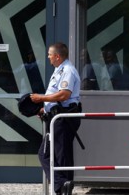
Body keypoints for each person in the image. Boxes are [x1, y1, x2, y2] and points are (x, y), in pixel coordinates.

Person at [30, 42, 81, 195]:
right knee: (51, 154)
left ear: (57, 56)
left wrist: (41, 98)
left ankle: (62, 186)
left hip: (63, 117)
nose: (48, 57)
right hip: (55, 117)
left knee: (58, 154)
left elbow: (64, 94)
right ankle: (63, 185)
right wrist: (44, 108)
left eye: (50, 54)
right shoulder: (59, 70)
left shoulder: (67, 71)